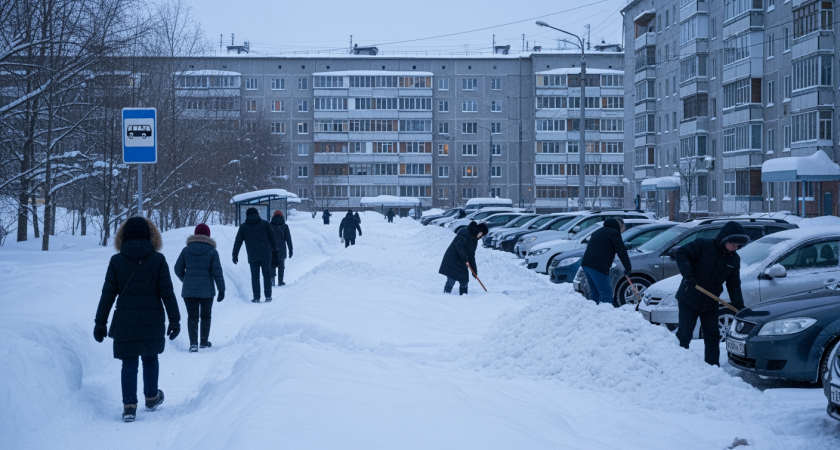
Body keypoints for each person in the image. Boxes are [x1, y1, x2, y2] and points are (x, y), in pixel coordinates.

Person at [93, 217, 180, 423]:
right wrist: (175, 320)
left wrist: (100, 323)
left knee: (129, 361)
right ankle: (151, 397)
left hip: (126, 319)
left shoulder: (117, 261)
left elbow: (107, 294)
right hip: (152, 319)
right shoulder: (158, 260)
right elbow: (167, 293)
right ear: (151, 237)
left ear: (122, 237)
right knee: (150, 357)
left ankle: (129, 406)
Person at [675, 221, 748, 366]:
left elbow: (733, 284)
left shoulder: (734, 259)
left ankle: (712, 367)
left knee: (712, 336)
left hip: (710, 301)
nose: (735, 248)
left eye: (738, 245)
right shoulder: (703, 245)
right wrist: (688, 275)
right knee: (684, 334)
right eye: (733, 244)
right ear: (725, 239)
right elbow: (681, 253)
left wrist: (738, 305)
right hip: (689, 297)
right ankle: (679, 366)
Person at [174, 223, 225, 353]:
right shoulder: (212, 251)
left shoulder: (186, 250)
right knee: (206, 316)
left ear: (195, 234)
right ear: (208, 235)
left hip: (189, 290)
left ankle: (193, 344)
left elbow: (177, 269)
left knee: (192, 316)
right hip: (207, 291)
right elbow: (217, 272)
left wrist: (186, 280)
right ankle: (203, 341)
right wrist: (221, 289)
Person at [580, 218, 632, 307]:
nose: (622, 232)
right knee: (606, 293)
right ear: (621, 226)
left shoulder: (599, 231)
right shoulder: (614, 233)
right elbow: (621, 251)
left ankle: (593, 314)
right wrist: (628, 268)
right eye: (623, 229)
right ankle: (606, 315)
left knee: (595, 292)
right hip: (598, 266)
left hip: (587, 264)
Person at [233, 207, 278, 303]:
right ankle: (268, 296)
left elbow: (238, 241)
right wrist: (276, 250)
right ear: (257, 214)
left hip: (253, 255)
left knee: (255, 276)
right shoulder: (265, 224)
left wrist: (235, 254)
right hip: (266, 254)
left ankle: (257, 297)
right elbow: (272, 238)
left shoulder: (244, 226)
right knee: (267, 274)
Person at [438, 221, 488, 295]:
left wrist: (474, 270)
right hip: (453, 258)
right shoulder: (465, 232)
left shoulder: (474, 240)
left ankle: (464, 298)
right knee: (451, 279)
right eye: (482, 234)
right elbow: (459, 246)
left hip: (462, 260)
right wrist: (465, 259)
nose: (481, 237)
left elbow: (471, 256)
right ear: (479, 231)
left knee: (464, 280)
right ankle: (446, 295)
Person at [269, 210, 293, 286]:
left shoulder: (270, 225)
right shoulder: (285, 226)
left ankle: (272, 279)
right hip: (281, 248)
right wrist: (290, 249)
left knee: (272, 264)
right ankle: (280, 281)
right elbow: (288, 239)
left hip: (272, 247)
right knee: (281, 265)